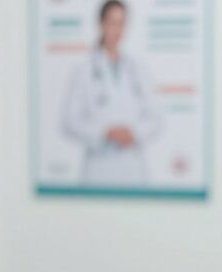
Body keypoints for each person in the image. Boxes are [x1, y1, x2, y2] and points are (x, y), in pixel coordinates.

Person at [62, 0, 162, 186]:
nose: (117, 30)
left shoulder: (138, 68)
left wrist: (134, 132)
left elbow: (155, 117)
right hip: (98, 166)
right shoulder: (83, 69)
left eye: (122, 23)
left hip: (133, 165)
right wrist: (105, 133)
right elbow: (70, 121)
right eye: (112, 23)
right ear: (101, 24)